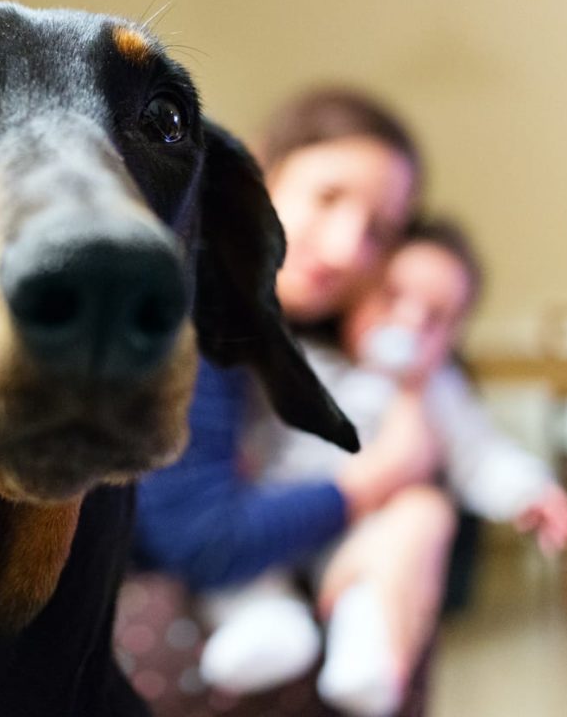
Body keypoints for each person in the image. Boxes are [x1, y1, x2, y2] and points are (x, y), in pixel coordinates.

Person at [126, 88, 437, 713]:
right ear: (257, 168)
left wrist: (418, 517)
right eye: (326, 198)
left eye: (380, 231)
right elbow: (203, 540)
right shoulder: (190, 300)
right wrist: (372, 483)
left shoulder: (319, 334)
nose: (349, 248)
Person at [198, 220, 567, 716]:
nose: (409, 320)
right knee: (242, 570)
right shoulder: (295, 358)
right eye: (392, 296)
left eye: (435, 316)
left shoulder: (437, 389)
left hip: (360, 536)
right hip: (275, 517)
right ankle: (262, 626)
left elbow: (481, 454)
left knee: (390, 562)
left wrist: (529, 492)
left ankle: (366, 658)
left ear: (454, 334)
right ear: (354, 295)